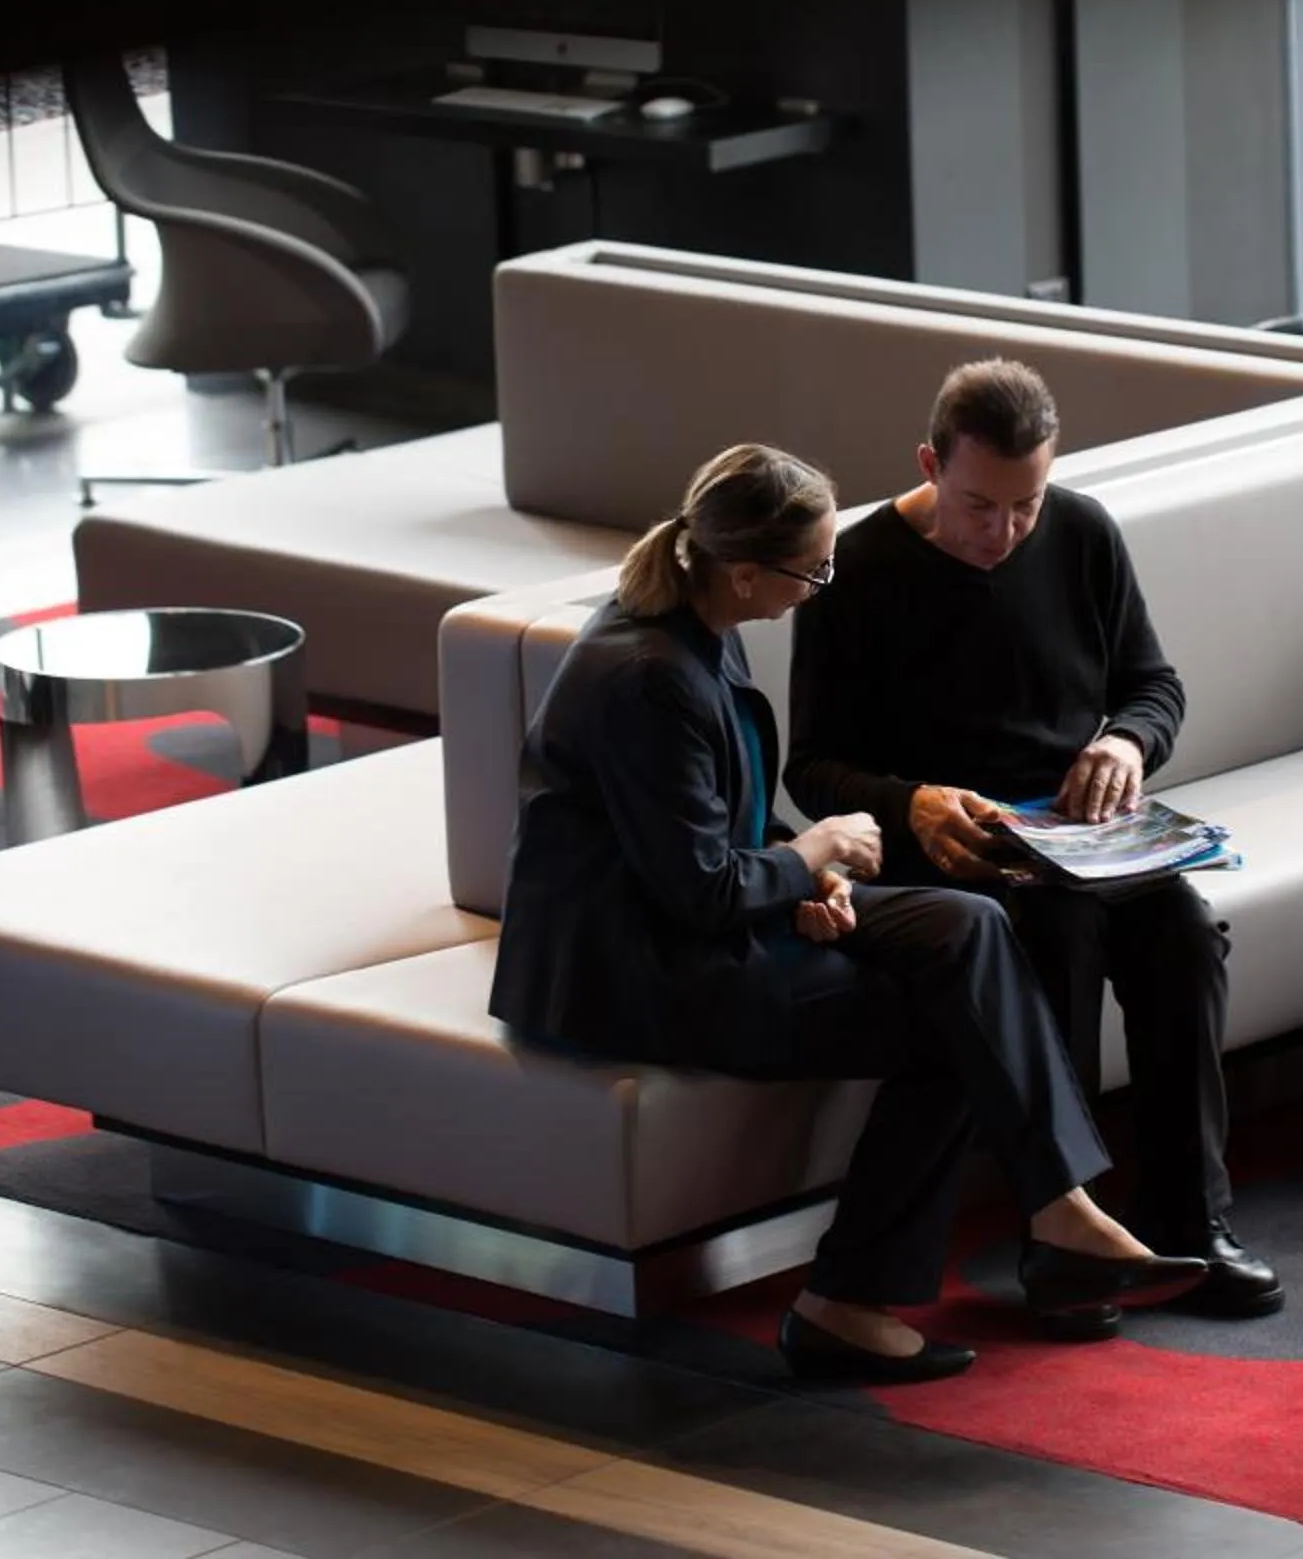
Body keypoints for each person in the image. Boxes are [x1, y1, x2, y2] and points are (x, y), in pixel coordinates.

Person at [489, 442, 1205, 1381]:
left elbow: (717, 830)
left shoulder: (701, 616)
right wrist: (814, 852)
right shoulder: (649, 675)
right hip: (638, 971)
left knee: (968, 923)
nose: (823, 583)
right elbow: (701, 891)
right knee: (956, 1021)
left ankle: (1060, 1209)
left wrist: (809, 883)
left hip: (702, 921)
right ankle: (850, 1301)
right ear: (748, 569)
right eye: (813, 567)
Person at [785, 361, 1282, 1326]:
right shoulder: (858, 571)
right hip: (954, 849)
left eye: (1028, 503)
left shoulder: (1084, 532)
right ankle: (1062, 1238)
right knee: (1054, 938)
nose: (1005, 531)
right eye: (980, 505)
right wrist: (912, 799)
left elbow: (1154, 686)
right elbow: (812, 769)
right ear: (930, 464)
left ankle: (1189, 1222)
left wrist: (1123, 742)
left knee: (1183, 932)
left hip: (1084, 836)